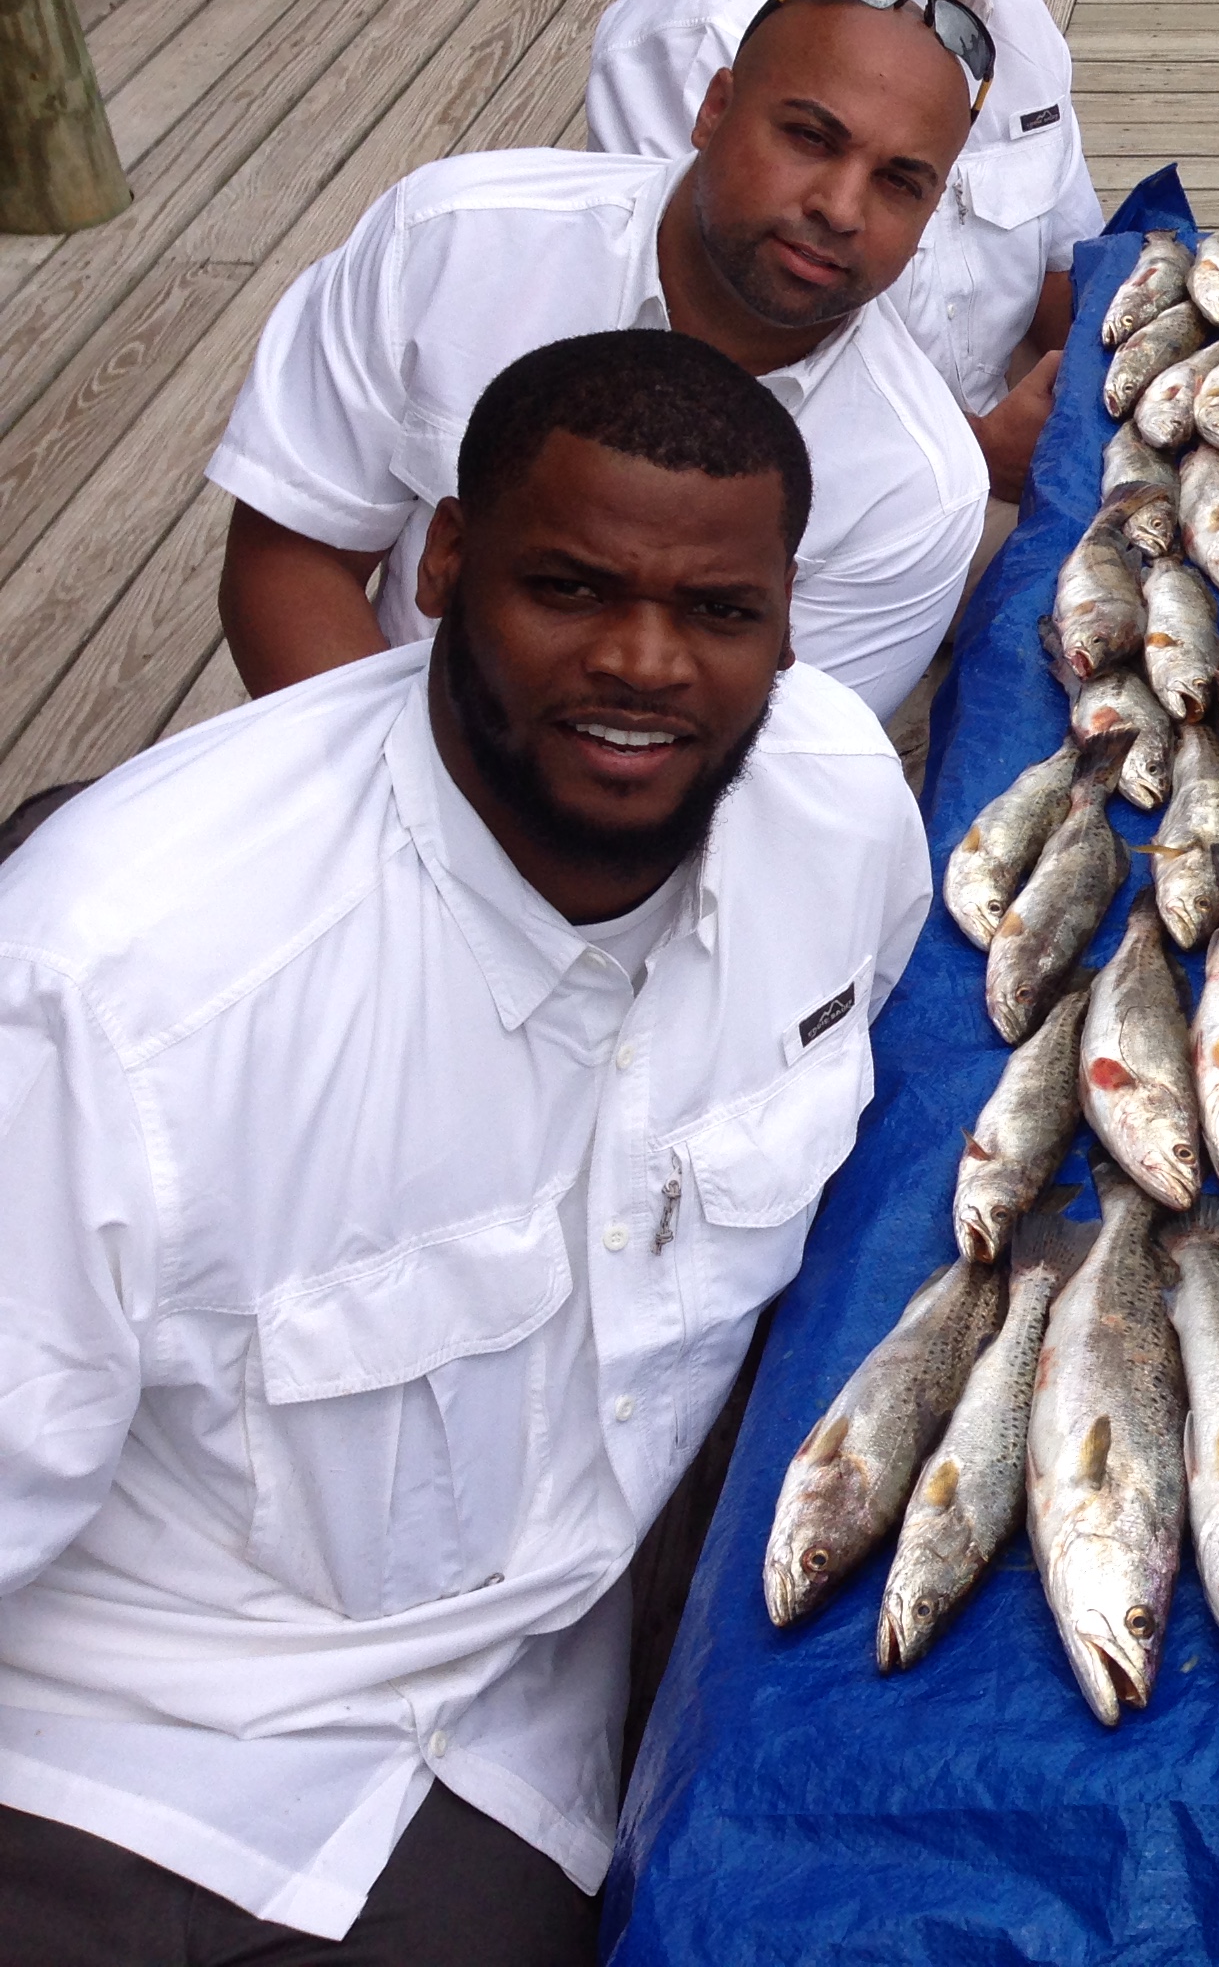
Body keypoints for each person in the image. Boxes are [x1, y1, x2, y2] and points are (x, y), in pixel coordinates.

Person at [0, 331, 933, 1963]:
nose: (644, 662)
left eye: (720, 612)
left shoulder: (843, 814)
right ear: (440, 565)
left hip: (519, 1730)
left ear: (789, 619)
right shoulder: (123, 989)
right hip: (122, 1755)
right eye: (570, 589)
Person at [211, 0, 994, 724]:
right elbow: (295, 557)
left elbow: (777, 762)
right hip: (371, 748)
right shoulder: (452, 241)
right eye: (809, 138)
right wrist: (392, 793)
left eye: (900, 182)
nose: (841, 207)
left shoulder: (917, 488)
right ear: (714, 110)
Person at [589, 0, 1100, 498]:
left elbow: (1060, 271)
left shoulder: (1024, 20)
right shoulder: (699, 29)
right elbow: (666, 363)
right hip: (770, 501)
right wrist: (974, 457)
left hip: (994, 458)